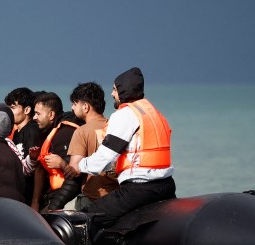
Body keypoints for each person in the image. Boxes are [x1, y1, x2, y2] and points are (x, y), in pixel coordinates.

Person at [75, 67, 175, 229]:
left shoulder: (125, 115)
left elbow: (106, 158)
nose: (112, 94)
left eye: (115, 89)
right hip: (166, 186)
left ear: (124, 91)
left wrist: (80, 166)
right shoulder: (155, 114)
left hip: (140, 189)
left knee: (86, 219)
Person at [43, 82, 119, 209]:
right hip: (116, 195)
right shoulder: (115, 127)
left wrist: (61, 163)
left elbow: (74, 172)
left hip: (92, 198)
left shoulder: (81, 132)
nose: (72, 108)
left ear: (85, 107)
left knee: (64, 216)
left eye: (74, 104)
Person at [29, 91, 83, 210]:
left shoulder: (64, 133)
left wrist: (53, 207)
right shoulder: (54, 131)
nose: (34, 117)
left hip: (66, 200)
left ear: (51, 115)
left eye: (38, 113)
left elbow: (73, 179)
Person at [5, 87, 44, 209]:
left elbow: (38, 167)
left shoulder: (32, 130)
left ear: (27, 110)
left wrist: (35, 202)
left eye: (13, 107)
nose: (9, 112)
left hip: (29, 197)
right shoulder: (16, 132)